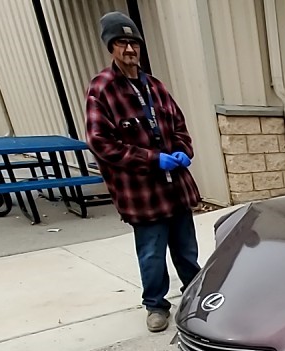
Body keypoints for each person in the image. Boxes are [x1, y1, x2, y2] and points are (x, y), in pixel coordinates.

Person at [85, 12, 202, 333]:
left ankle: (195, 295)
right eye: (121, 43)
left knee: (187, 249)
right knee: (151, 253)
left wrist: (182, 151)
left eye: (133, 42)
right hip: (142, 193)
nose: (129, 49)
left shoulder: (156, 86)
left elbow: (179, 126)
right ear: (111, 48)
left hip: (174, 188)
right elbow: (100, 142)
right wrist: (151, 159)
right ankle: (156, 305)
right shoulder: (102, 89)